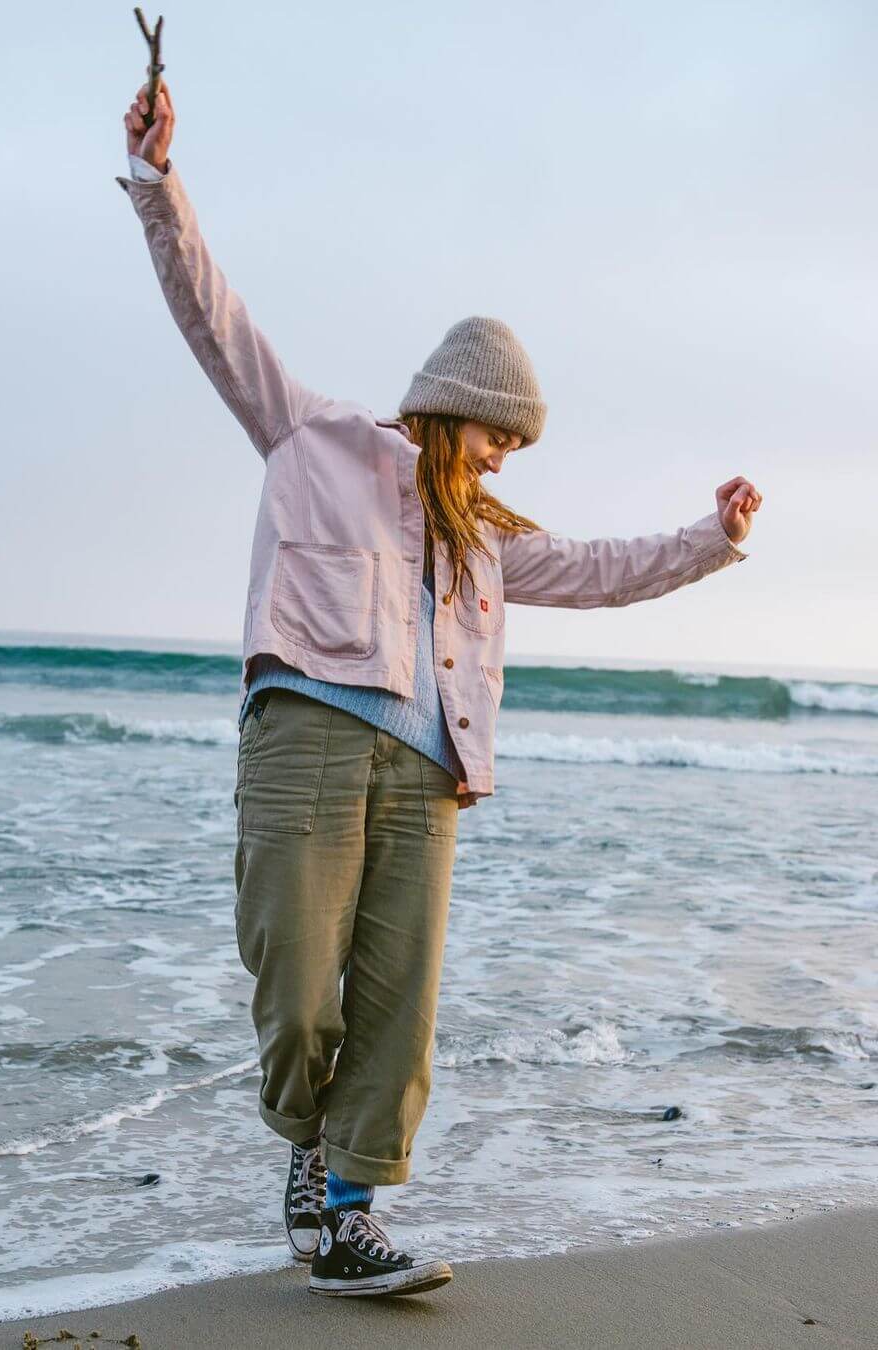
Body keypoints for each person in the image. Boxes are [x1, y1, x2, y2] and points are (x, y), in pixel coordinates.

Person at [118, 79, 762, 1299]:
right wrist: (161, 184)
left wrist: (712, 537)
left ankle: (349, 1212)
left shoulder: (487, 538)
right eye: (498, 434)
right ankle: (310, 1148)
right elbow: (214, 314)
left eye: (516, 445)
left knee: (400, 1009)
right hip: (308, 733)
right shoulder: (317, 439)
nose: (505, 457)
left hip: (427, 775)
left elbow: (604, 571)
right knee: (299, 994)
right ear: (452, 407)